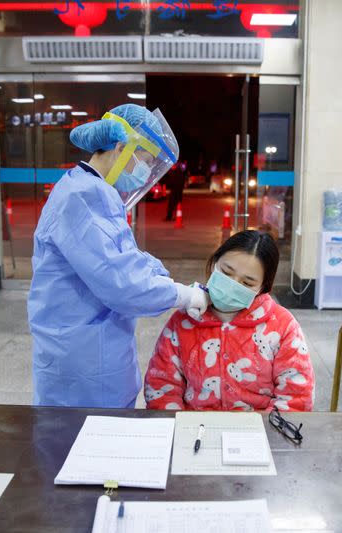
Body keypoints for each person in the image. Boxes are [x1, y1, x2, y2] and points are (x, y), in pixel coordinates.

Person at [28, 104, 210, 408]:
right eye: (146, 161)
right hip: (83, 365)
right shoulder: (83, 197)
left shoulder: (91, 190)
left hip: (92, 352)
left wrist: (159, 274)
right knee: (82, 444)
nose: (145, 172)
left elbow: (121, 256)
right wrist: (182, 295)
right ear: (124, 148)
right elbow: (121, 282)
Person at [144, 230, 315, 411]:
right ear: (214, 263)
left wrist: (266, 433)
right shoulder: (184, 320)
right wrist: (179, 428)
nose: (233, 285)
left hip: (258, 432)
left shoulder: (282, 326)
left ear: (263, 287)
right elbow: (161, 385)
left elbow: (297, 396)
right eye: (226, 272)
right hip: (196, 430)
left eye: (247, 283)